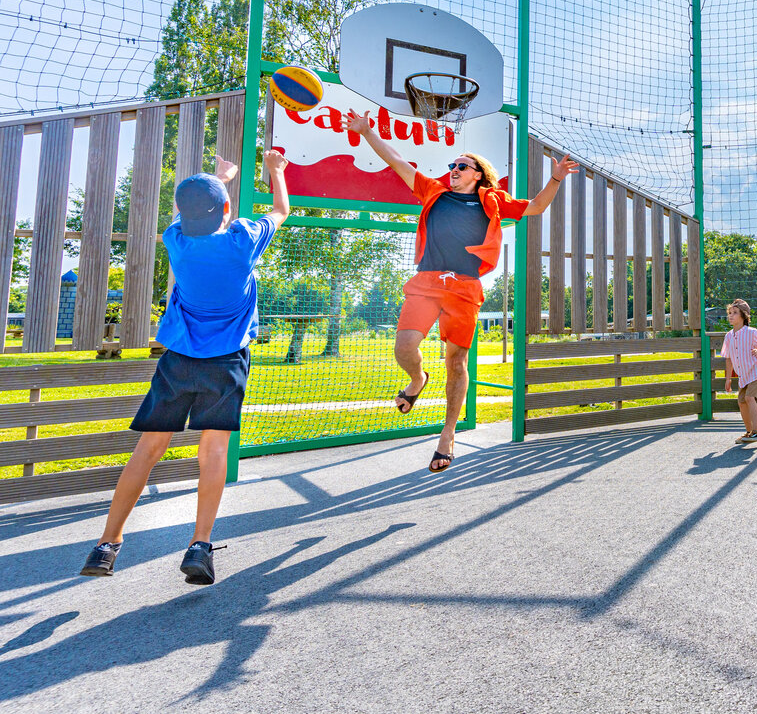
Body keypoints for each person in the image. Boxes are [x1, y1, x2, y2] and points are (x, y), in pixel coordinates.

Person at [80, 151, 291, 585]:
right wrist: (275, 171)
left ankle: (106, 545)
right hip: (226, 363)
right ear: (228, 210)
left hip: (177, 362)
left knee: (148, 451)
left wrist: (219, 178)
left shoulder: (175, 238)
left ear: (181, 211)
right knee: (211, 453)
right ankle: (200, 545)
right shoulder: (243, 241)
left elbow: (198, 210)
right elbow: (281, 210)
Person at [341, 110, 576, 474]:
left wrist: (556, 179)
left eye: (462, 166)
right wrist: (367, 130)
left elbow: (536, 206)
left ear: (478, 174)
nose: (454, 168)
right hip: (426, 282)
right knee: (404, 346)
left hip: (464, 287)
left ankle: (446, 437)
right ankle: (418, 379)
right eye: (453, 164)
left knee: (456, 362)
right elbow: (396, 160)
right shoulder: (433, 191)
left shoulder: (494, 201)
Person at [721, 299, 757, 444]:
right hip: (744, 375)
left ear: (743, 316)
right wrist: (728, 379)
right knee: (742, 402)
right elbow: (728, 358)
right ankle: (749, 433)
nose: (731, 315)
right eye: (730, 313)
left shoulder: (752, 332)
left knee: (749, 398)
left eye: (735, 313)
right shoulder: (728, 336)